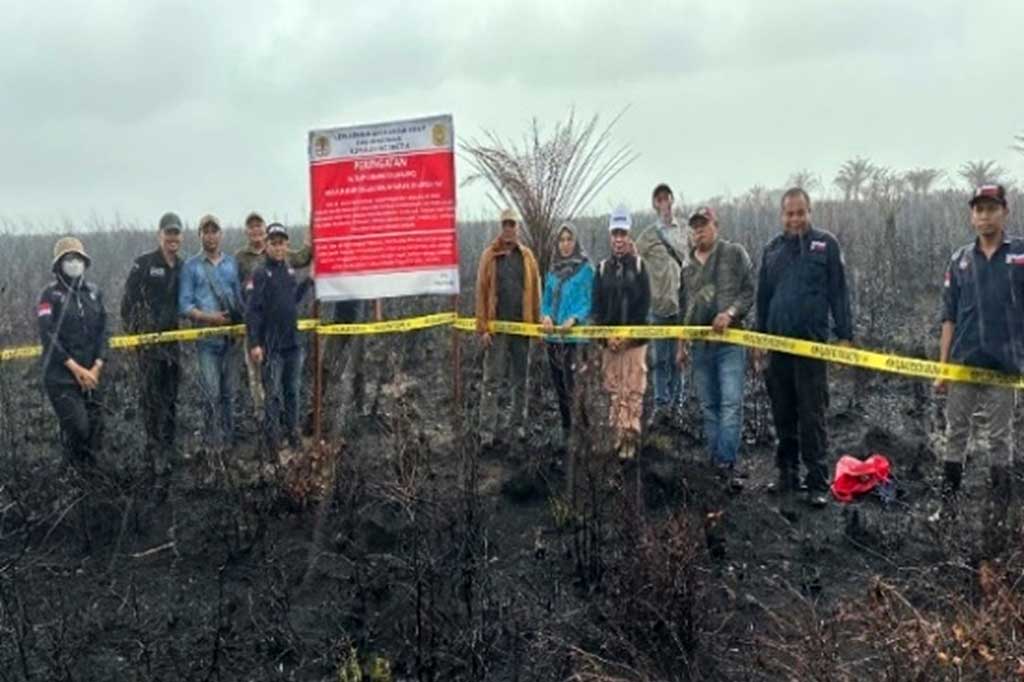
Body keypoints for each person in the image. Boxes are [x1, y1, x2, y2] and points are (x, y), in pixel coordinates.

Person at [755, 188, 852, 509]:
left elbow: (839, 294)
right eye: (789, 214)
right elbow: (763, 299)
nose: (795, 219)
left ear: (810, 212)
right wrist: (759, 340)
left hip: (812, 349)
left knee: (812, 414)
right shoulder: (771, 250)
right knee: (783, 412)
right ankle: (787, 475)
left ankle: (817, 481)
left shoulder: (826, 245)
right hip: (777, 347)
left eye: (800, 213)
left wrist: (844, 336)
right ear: (782, 215)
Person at [935, 184, 1022, 527]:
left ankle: (1001, 515)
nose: (985, 216)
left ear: (1004, 212)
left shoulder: (1020, 256)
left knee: (1000, 438)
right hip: (964, 364)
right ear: (972, 216)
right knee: (956, 433)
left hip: (1005, 366)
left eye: (991, 209)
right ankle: (948, 509)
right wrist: (943, 368)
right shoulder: (960, 260)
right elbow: (949, 317)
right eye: (979, 209)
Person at [676, 207, 755, 490]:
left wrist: (731, 313)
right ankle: (714, 463)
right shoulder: (687, 267)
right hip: (700, 346)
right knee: (709, 406)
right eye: (695, 227)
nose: (699, 231)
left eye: (704, 225)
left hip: (730, 342)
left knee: (731, 403)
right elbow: (684, 308)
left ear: (716, 226)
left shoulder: (734, 253)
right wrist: (681, 343)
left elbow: (748, 291)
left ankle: (725, 464)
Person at [37, 237, 110, 470]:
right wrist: (75, 368)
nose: (74, 263)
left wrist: (96, 366)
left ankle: (87, 476)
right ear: (59, 264)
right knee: (78, 428)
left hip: (92, 374)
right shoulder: (49, 295)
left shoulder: (94, 293)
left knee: (95, 429)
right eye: (68, 259)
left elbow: (104, 331)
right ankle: (71, 472)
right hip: (61, 377)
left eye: (77, 258)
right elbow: (47, 334)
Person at [121, 212, 184, 473]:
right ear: (160, 235)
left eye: (176, 233)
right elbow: (127, 303)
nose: (172, 238)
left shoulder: (183, 267)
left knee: (171, 397)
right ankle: (154, 447)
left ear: (181, 236)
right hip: (148, 345)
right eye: (168, 233)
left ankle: (169, 446)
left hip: (173, 343)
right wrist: (133, 336)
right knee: (150, 398)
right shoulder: (144, 264)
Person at [474, 208, 541, 448]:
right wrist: (483, 328)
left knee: (520, 380)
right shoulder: (490, 256)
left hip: (521, 330)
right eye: (505, 224)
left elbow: (535, 293)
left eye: (512, 224)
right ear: (500, 227)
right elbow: (481, 292)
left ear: (518, 227)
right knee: (492, 380)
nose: (509, 229)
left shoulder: (528, 257)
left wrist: (535, 327)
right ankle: (486, 432)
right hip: (497, 330)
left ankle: (517, 425)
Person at [235, 212, 312, 418]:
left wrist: (309, 281)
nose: (278, 247)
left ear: (286, 245)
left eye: (282, 243)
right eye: (274, 243)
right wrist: (255, 342)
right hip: (269, 343)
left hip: (292, 342)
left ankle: (291, 431)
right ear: (267, 245)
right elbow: (252, 310)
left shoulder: (288, 269)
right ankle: (269, 432)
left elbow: (293, 298)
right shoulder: (255, 269)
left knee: (292, 391)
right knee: (270, 393)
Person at [179, 214, 244, 452]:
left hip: (232, 340)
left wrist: (242, 326)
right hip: (207, 341)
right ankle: (211, 444)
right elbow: (184, 305)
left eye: (214, 231)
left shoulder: (231, 264)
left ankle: (228, 442)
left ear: (221, 234)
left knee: (229, 393)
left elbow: (239, 298)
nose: (210, 236)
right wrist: (210, 318)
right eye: (205, 231)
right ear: (199, 235)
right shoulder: (191, 267)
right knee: (212, 393)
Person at [592, 206, 652, 460]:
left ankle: (630, 438)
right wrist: (606, 337)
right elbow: (596, 309)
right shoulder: (601, 269)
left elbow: (645, 306)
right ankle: (617, 436)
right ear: (610, 236)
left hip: (635, 343)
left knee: (633, 389)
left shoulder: (639, 267)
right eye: (615, 233)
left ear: (629, 235)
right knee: (614, 390)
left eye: (623, 233)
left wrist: (629, 337)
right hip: (610, 343)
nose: (619, 239)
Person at [635, 183, 687, 426]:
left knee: (679, 358)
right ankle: (661, 404)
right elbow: (634, 261)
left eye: (667, 198)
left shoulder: (685, 230)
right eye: (659, 199)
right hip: (657, 306)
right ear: (654, 204)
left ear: (672, 200)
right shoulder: (647, 236)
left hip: (682, 306)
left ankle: (677, 406)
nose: (664, 203)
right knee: (658, 359)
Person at [540, 222, 594, 450]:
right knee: (560, 388)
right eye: (561, 240)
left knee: (575, 388)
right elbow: (545, 301)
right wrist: (545, 316)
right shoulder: (552, 272)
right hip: (554, 339)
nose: (565, 244)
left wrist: (575, 318)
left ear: (576, 242)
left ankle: (584, 432)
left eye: (569, 239)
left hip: (575, 339)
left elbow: (590, 301)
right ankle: (566, 430)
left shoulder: (586, 270)